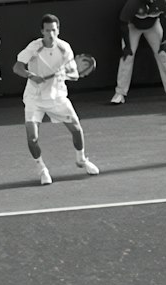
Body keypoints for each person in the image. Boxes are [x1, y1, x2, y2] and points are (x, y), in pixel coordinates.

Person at [13, 14, 100, 186]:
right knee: (32, 137)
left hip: (57, 96)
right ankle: (42, 169)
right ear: (42, 31)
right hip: (34, 98)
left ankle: (81, 160)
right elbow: (17, 67)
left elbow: (74, 73)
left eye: (54, 30)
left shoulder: (65, 48)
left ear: (58, 30)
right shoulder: (34, 47)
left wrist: (66, 74)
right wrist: (31, 75)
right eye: (47, 31)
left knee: (76, 129)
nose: (51, 34)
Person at [110, 0, 166, 105]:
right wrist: (127, 46)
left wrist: (164, 40)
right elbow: (123, 24)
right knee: (127, 56)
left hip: (153, 26)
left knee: (163, 54)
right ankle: (120, 93)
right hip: (133, 27)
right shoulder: (133, 3)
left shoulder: (163, 0)